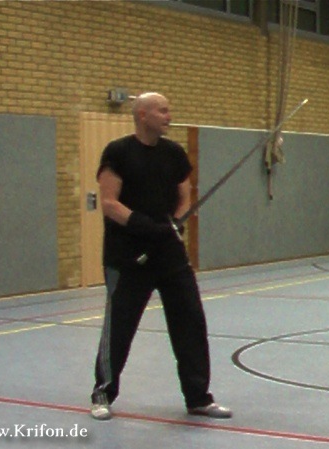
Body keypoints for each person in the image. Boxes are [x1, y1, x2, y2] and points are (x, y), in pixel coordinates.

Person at [90, 92, 231, 421]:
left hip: (169, 255)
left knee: (190, 322)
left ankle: (198, 397)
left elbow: (185, 196)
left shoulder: (174, 153)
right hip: (128, 257)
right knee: (119, 328)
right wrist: (144, 225)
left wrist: (174, 223)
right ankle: (103, 393)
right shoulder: (118, 152)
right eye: (163, 111)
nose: (169, 116)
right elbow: (109, 203)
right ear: (143, 115)